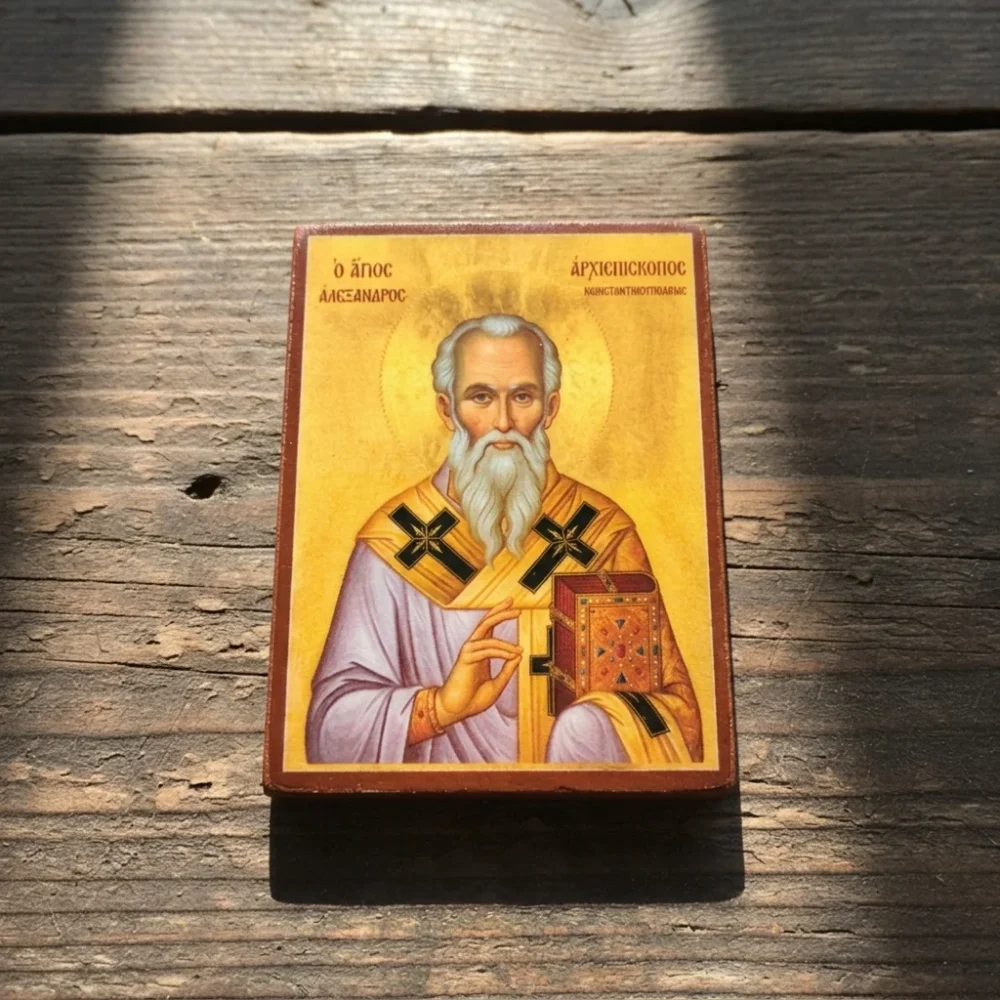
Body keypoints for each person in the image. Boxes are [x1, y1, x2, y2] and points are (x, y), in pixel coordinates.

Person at [306, 314, 702, 765]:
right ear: (446, 409)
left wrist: (586, 731)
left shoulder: (600, 534)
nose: (503, 421)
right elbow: (329, 729)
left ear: (550, 408)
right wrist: (439, 708)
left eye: (522, 396)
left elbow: (670, 714)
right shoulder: (396, 540)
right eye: (480, 397)